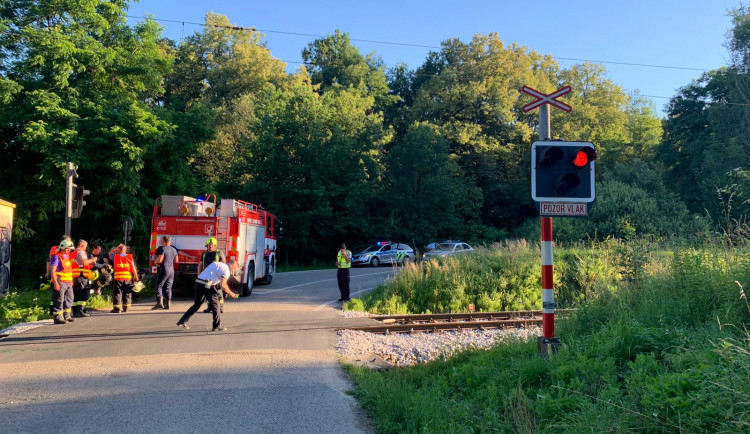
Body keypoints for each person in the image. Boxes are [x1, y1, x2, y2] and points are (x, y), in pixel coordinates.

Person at [176, 259, 239, 332]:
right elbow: (223, 285)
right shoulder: (226, 270)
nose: (233, 270)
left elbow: (212, 275)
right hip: (207, 284)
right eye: (234, 268)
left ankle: (182, 321)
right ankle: (217, 326)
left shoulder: (217, 263)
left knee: (197, 304)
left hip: (198, 282)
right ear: (231, 265)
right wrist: (232, 294)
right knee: (216, 305)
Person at [49, 239, 76, 324]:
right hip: (60, 280)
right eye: (68, 248)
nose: (69, 250)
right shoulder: (56, 256)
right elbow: (53, 270)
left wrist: (71, 280)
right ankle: (58, 317)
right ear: (63, 248)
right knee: (59, 299)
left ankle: (67, 315)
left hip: (67, 281)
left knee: (69, 298)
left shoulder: (66, 256)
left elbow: (68, 269)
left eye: (70, 249)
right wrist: (56, 282)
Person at [198, 237, 226, 314]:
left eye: (212, 245)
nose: (210, 246)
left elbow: (223, 264)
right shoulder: (204, 254)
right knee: (208, 293)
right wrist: (199, 275)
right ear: (206, 245)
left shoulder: (219, 253)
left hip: (216, 277)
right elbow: (200, 265)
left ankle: (220, 308)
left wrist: (222, 276)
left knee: (218, 293)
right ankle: (209, 307)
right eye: (209, 245)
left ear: (215, 245)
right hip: (207, 278)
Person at [152, 235, 178, 310]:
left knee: (159, 285)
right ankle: (168, 304)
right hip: (171, 269)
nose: (160, 242)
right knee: (168, 286)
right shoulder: (174, 249)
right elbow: (176, 260)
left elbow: (160, 260)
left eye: (161, 241)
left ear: (164, 241)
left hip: (165, 268)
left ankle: (159, 303)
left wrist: (155, 261)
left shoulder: (162, 249)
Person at [71, 239, 96, 318]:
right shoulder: (81, 252)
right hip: (82, 276)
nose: (86, 248)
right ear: (82, 246)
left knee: (76, 294)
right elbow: (84, 262)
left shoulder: (73, 252)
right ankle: (81, 311)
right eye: (85, 246)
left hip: (74, 276)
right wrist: (93, 260)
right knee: (85, 293)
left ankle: (75, 311)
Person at [111, 244, 139, 313]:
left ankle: (117, 309)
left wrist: (116, 248)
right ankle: (126, 308)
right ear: (125, 250)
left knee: (117, 293)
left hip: (118, 278)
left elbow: (110, 253)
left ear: (119, 250)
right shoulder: (129, 257)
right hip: (128, 278)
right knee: (127, 293)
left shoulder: (116, 257)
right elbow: (133, 268)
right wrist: (136, 276)